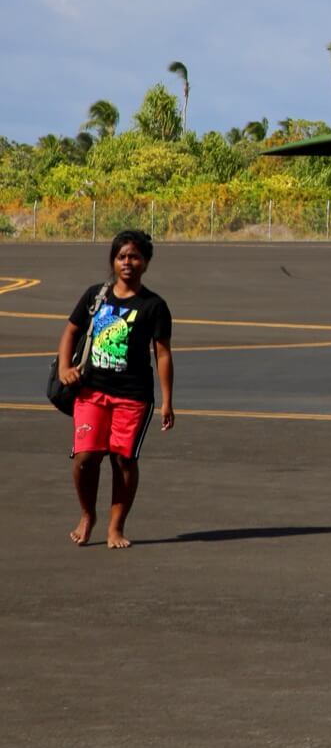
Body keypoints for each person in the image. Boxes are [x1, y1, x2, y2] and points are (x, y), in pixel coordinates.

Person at [57, 230, 174, 549]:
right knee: (85, 457)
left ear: (146, 263)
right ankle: (87, 515)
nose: (128, 262)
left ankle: (115, 527)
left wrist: (167, 400)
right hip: (91, 390)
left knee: (123, 460)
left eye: (135, 256)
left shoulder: (154, 306)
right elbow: (70, 331)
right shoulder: (97, 295)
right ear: (113, 260)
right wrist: (66, 367)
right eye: (122, 256)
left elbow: (162, 353)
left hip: (133, 395)